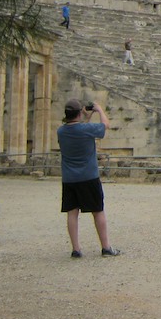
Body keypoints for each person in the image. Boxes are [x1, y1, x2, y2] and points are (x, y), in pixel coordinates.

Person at [57, 98, 120, 258]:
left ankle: (76, 249)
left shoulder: (61, 132)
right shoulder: (86, 130)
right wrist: (99, 110)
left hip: (69, 178)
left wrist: (85, 117)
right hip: (89, 176)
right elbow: (105, 125)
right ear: (79, 113)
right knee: (98, 211)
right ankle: (105, 247)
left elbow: (78, 128)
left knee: (72, 213)